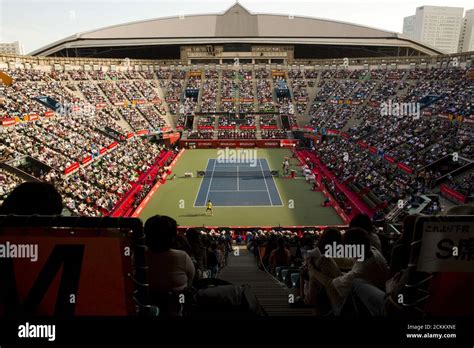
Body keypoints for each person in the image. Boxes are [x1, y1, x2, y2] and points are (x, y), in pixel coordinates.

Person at [145, 215, 195, 315]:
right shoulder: (182, 257)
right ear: (172, 238)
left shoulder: (137, 256)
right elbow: (190, 280)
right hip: (176, 309)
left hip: (147, 308)